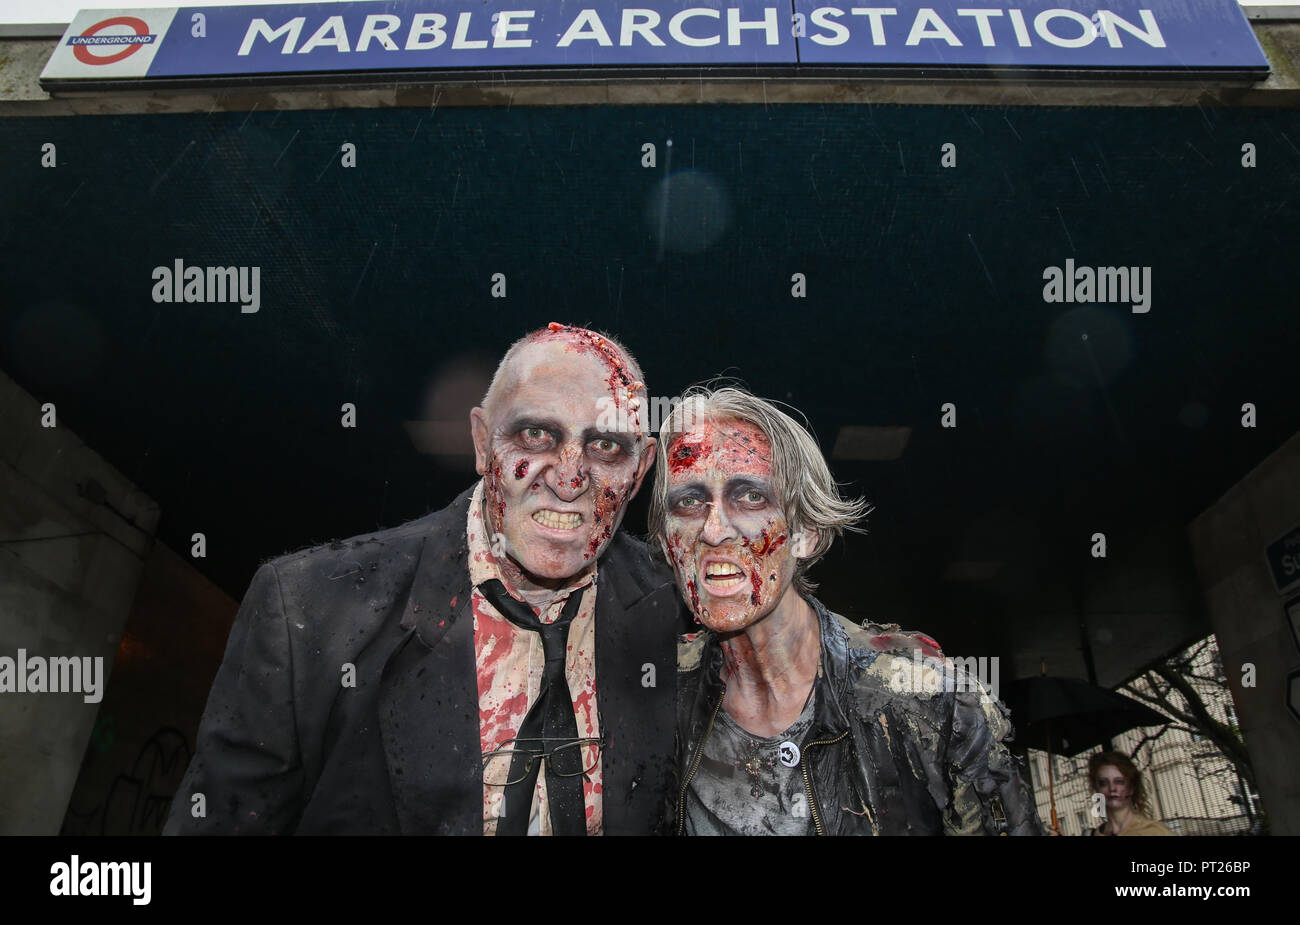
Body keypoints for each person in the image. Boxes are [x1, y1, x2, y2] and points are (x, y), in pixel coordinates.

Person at [164, 323, 682, 835]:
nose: (569, 479)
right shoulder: (310, 610)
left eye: (607, 447)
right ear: (482, 442)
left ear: (639, 472)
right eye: (536, 435)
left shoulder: (677, 612)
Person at [650, 385, 1043, 836]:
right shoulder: (652, 699)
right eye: (688, 501)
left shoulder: (929, 702)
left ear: (806, 534)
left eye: (750, 496)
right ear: (666, 542)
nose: (713, 530)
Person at [1087, 751, 1176, 836]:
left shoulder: (1155, 832)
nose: (1112, 788)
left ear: (1131, 787)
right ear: (1096, 788)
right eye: (1103, 783)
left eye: (1119, 782)